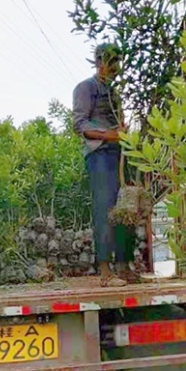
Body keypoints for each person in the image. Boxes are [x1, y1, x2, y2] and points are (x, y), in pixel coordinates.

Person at [72, 42, 137, 287]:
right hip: (99, 155)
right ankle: (105, 271)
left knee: (125, 210)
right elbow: (80, 125)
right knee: (105, 210)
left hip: (120, 154)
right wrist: (110, 135)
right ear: (100, 61)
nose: (116, 67)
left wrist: (122, 135)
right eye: (112, 62)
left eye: (118, 62)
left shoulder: (114, 92)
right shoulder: (85, 87)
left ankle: (124, 265)